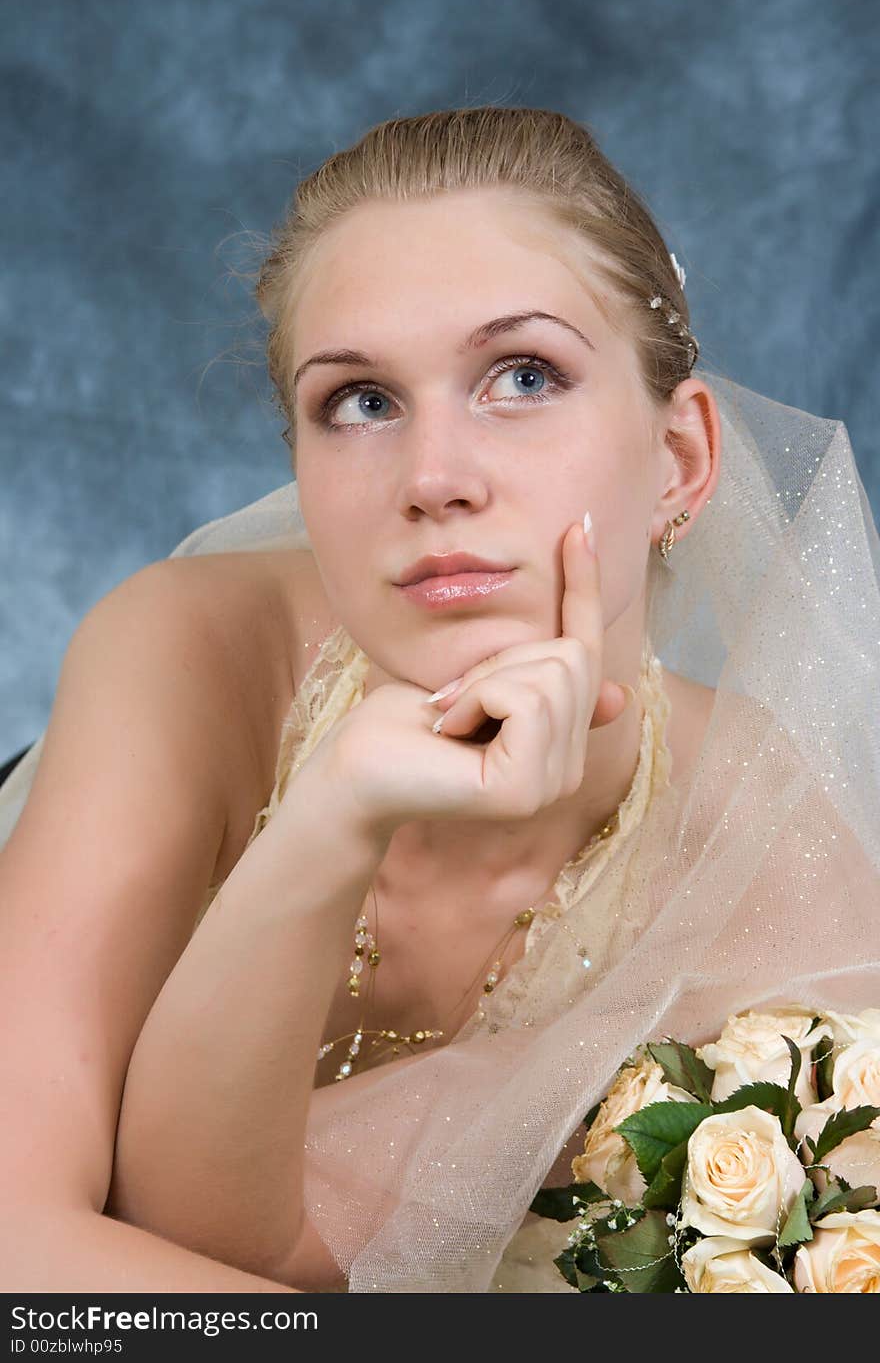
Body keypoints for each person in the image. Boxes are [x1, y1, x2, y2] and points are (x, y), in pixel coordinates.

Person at [1, 106, 878, 1294]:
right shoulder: (187, 651)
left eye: (522, 376)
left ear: (678, 460)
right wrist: (332, 813)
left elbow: (240, 1260)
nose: (432, 479)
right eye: (360, 400)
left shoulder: (761, 846)